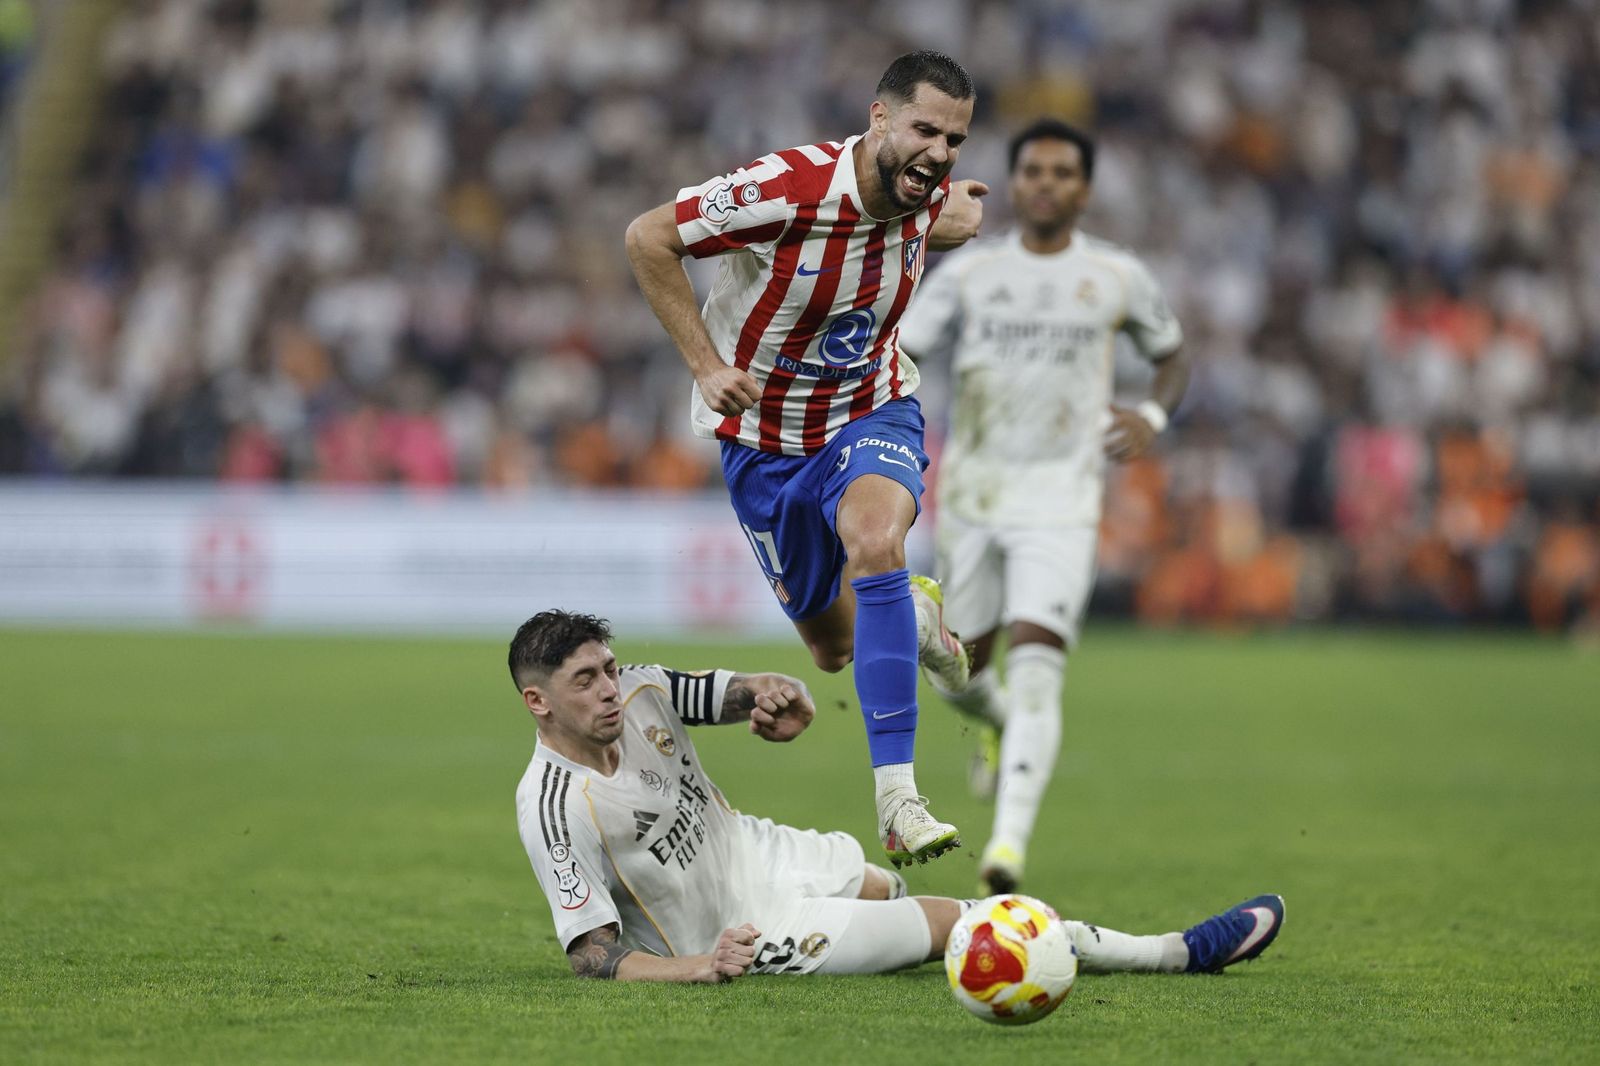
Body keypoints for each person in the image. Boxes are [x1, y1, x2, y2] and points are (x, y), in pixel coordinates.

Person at [624, 50, 991, 866]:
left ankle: (897, 798)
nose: (939, 153)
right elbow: (648, 237)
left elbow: (952, 217)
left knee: (875, 539)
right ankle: (919, 619)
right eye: (925, 129)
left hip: (871, 410)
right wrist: (707, 367)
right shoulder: (786, 190)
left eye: (956, 140)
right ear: (880, 118)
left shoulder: (926, 199)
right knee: (831, 648)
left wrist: (957, 209)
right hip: (765, 445)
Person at [510, 609, 1285, 981]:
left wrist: (774, 698)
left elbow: (735, 693)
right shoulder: (553, 807)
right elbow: (593, 956)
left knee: (888, 886)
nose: (611, 688)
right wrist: (702, 966)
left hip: (760, 849)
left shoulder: (643, 690)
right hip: (746, 925)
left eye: (609, 667)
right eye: (587, 680)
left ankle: (883, 920)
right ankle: (1175, 954)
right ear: (538, 702)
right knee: (956, 923)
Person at [897, 119, 1193, 895]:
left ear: (1084, 189)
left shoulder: (1116, 274)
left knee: (1039, 674)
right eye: (1034, 171)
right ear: (1016, 182)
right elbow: (904, 349)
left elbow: (1171, 353)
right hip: (972, 497)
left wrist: (1151, 416)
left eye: (1063, 173)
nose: (1047, 184)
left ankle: (1007, 852)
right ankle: (993, 726)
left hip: (1062, 502)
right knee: (957, 676)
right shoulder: (969, 275)